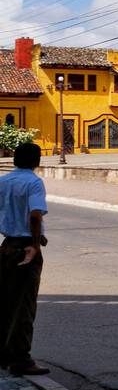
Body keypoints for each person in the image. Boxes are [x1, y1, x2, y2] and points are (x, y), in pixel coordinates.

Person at [0, 141, 49, 376]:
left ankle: (4, 353)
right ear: (36, 161)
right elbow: (35, 215)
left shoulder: (3, 181)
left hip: (7, 245)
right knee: (25, 305)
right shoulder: (33, 182)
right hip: (24, 246)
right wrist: (35, 245)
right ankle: (21, 358)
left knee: (6, 301)